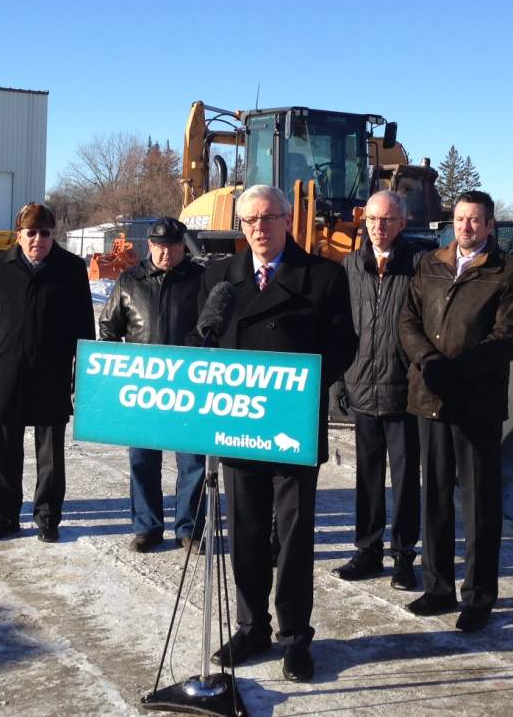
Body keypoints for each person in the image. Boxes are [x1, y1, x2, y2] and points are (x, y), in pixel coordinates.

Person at [196, 185, 356, 683]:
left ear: (287, 219)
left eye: (268, 218)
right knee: (244, 531)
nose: (259, 228)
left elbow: (343, 345)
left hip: (291, 430)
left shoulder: (324, 276)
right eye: (249, 221)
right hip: (240, 427)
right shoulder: (221, 277)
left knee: (291, 537)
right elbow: (203, 343)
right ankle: (251, 626)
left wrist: (298, 390)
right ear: (240, 227)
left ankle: (294, 636)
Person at [398, 189, 513, 632]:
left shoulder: (508, 272)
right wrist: (428, 362)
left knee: (479, 504)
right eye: (460, 219)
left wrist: (456, 372)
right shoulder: (430, 264)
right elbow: (407, 321)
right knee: (433, 495)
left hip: (477, 404)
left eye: (475, 220)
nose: (466, 227)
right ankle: (437, 587)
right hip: (429, 398)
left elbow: (505, 339)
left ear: (490, 226)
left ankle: (478, 596)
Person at [0, 203, 95, 543]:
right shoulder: (1, 268)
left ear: (54, 235)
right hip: (8, 372)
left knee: (50, 453)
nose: (39, 240)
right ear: (18, 234)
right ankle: (3, 517)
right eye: (31, 233)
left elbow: (83, 325)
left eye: (46, 233)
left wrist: (87, 373)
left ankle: (47, 517)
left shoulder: (70, 269)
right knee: (3, 450)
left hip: (51, 373)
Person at [331, 190, 422, 590]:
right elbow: (339, 327)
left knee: (404, 481)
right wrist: (338, 379)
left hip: (403, 393)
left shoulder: (419, 267)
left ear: (402, 223)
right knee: (367, 478)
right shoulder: (350, 266)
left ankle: (404, 557)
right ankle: (367, 551)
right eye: (371, 220)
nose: (378, 227)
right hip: (362, 389)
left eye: (386, 220)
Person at [98, 217, 206, 553]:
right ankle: (147, 527)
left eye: (173, 245)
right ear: (149, 245)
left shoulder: (200, 280)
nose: (166, 252)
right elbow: (109, 329)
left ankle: (188, 528)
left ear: (181, 246)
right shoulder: (130, 281)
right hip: (143, 390)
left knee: (193, 463)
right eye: (159, 245)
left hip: (189, 388)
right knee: (142, 460)